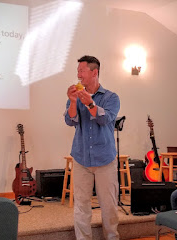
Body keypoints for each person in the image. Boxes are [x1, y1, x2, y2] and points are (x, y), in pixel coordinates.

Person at [64, 55, 120, 240]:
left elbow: (104, 119)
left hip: (105, 158)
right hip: (81, 157)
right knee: (81, 204)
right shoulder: (76, 96)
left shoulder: (111, 97)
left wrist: (89, 102)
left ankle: (112, 237)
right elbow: (70, 120)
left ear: (94, 72)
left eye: (82, 70)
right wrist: (73, 101)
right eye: (78, 71)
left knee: (109, 205)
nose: (78, 74)